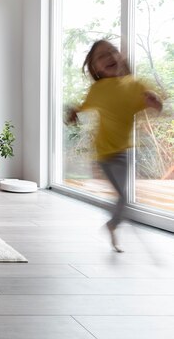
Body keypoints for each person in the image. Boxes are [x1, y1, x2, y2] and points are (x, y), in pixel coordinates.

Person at [66, 40, 162, 252]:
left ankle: (113, 225)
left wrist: (155, 102)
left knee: (124, 197)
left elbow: (156, 105)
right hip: (105, 152)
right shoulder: (98, 89)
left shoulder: (135, 84)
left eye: (112, 52)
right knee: (124, 196)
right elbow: (82, 108)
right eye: (102, 56)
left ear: (121, 56)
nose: (109, 57)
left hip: (127, 150)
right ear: (95, 67)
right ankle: (113, 225)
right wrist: (73, 114)